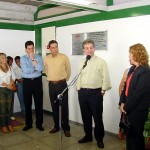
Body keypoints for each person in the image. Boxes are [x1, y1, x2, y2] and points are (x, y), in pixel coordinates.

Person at [76, 39, 111, 148]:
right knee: (85, 117)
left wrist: (102, 91)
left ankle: (99, 139)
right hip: (83, 93)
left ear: (94, 48)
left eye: (91, 47)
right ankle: (88, 136)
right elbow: (79, 77)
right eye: (87, 48)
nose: (89, 50)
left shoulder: (101, 62)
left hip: (95, 93)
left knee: (97, 118)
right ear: (84, 50)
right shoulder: (82, 62)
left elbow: (106, 78)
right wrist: (78, 89)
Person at [120, 43, 150, 150]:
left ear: (137, 55)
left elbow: (138, 94)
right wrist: (122, 102)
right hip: (129, 108)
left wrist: (126, 107)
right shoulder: (132, 69)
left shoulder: (145, 71)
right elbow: (125, 87)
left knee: (136, 138)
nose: (129, 56)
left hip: (138, 111)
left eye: (130, 54)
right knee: (130, 136)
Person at [44, 40, 71, 137]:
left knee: (64, 107)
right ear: (49, 48)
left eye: (56, 47)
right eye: (52, 47)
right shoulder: (46, 58)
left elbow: (68, 69)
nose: (55, 49)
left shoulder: (64, 57)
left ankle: (66, 128)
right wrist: (52, 78)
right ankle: (56, 126)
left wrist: (64, 79)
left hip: (62, 84)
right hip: (51, 85)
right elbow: (46, 70)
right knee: (54, 106)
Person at [21, 41, 44, 131]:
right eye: (29, 49)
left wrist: (33, 59)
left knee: (38, 103)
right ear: (26, 49)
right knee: (27, 104)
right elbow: (25, 70)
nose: (31, 50)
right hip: (27, 82)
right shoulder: (23, 58)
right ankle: (28, 124)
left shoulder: (38, 57)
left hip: (37, 82)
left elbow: (41, 69)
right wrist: (35, 67)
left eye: (32, 48)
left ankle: (39, 124)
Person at [0, 53, 15, 133]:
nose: (5, 59)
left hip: (9, 90)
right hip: (1, 90)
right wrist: (7, 85)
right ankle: (3, 126)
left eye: (5, 58)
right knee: (2, 109)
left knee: (8, 108)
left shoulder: (9, 67)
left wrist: (11, 83)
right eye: (2, 58)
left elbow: (13, 77)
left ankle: (9, 124)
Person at [7, 56, 15, 121]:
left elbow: (14, 77)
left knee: (11, 102)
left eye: (12, 61)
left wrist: (12, 82)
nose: (12, 63)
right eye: (11, 61)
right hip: (4, 87)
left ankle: (11, 115)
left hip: (11, 87)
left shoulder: (11, 68)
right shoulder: (2, 68)